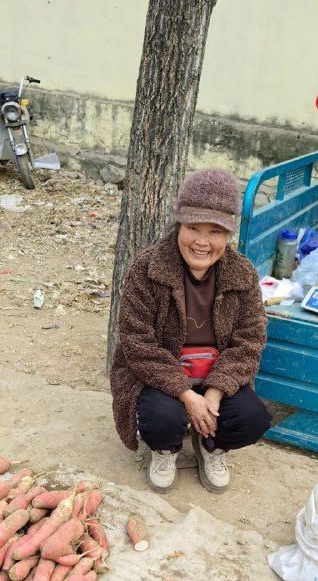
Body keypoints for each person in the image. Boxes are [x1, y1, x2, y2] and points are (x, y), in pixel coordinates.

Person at [110, 167, 272, 494]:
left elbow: (249, 342)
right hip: (160, 376)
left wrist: (212, 394)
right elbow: (137, 343)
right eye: (193, 228)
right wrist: (186, 395)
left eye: (215, 232)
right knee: (162, 418)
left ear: (228, 235)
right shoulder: (148, 269)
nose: (202, 241)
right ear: (179, 224)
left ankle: (211, 447)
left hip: (215, 376)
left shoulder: (241, 274)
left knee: (252, 418)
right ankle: (165, 450)